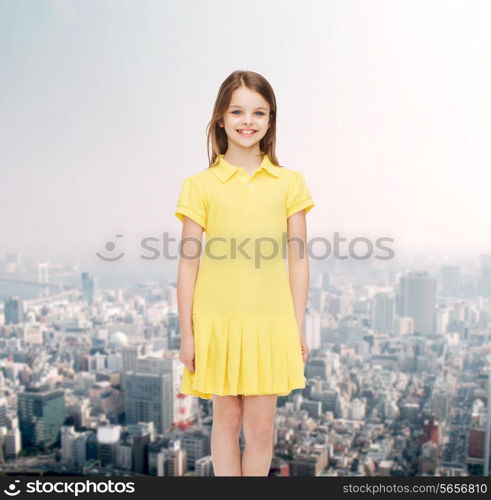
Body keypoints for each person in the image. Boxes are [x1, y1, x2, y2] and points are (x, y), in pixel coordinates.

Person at [175, 70, 315, 476]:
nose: (247, 121)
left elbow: (299, 258)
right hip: (216, 320)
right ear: (220, 117)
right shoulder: (199, 185)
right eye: (237, 111)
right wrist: (187, 333)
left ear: (271, 120)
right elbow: (188, 262)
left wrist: (297, 325)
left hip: (271, 321)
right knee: (225, 423)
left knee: (260, 427)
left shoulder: (290, 183)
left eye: (259, 112)